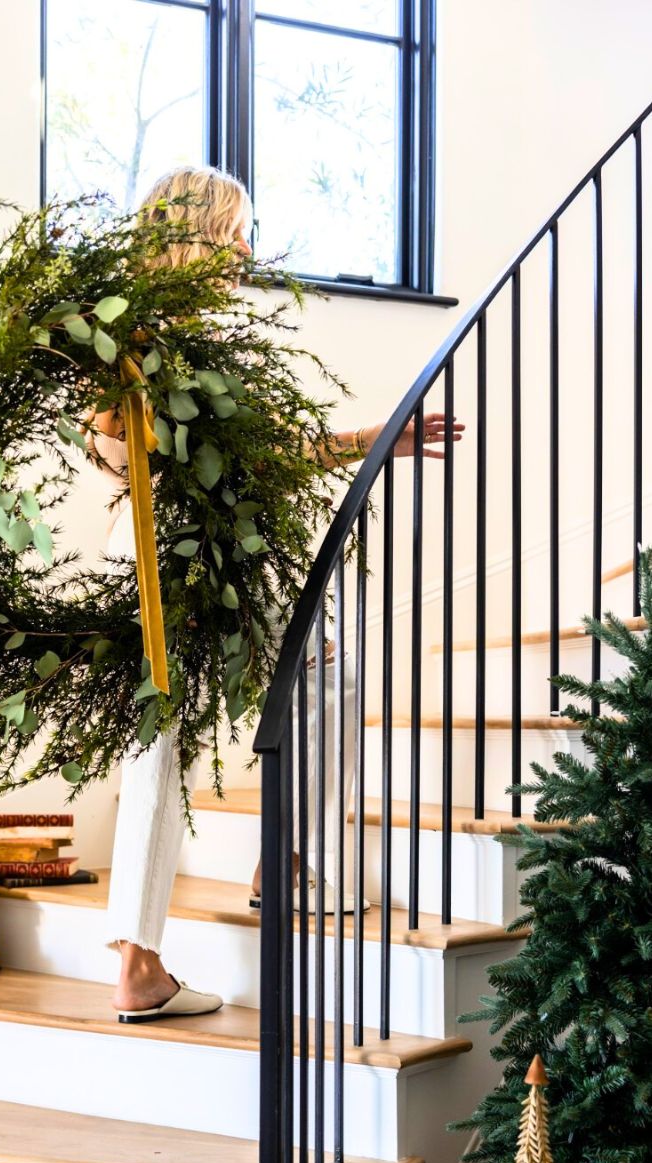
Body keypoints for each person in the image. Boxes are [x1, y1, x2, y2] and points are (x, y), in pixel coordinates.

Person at [87, 166, 464, 1023]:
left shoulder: (184, 333)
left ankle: (262, 873)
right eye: (239, 227)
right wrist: (156, 460)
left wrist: (375, 440)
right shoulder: (142, 328)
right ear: (202, 232)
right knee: (271, 689)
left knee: (309, 674)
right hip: (169, 553)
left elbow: (262, 450)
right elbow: (108, 443)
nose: (249, 247)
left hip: (190, 548)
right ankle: (175, 938)